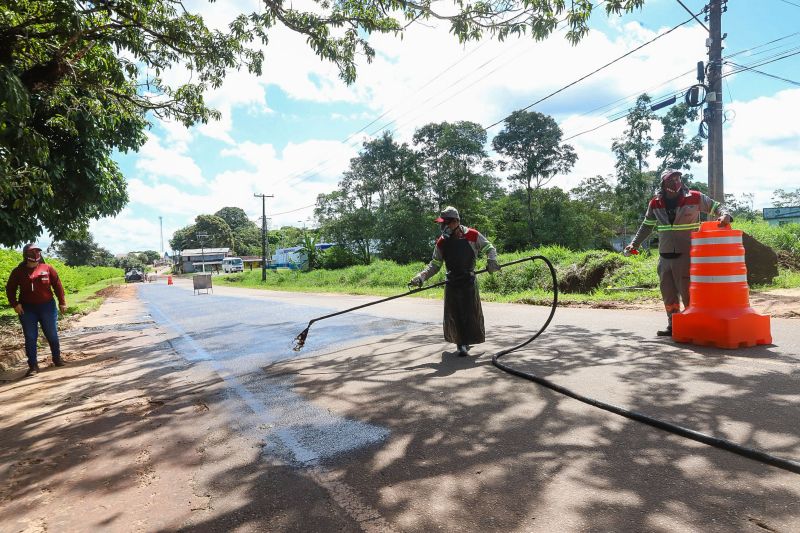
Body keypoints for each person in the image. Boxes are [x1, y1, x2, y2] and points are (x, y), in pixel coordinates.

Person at [624, 169, 732, 337]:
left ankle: (693, 324)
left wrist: (725, 215)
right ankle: (673, 324)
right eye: (671, 180)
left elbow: (717, 207)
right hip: (664, 256)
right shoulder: (655, 203)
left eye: (678, 178)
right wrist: (634, 244)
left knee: (688, 293)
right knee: (668, 294)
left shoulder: (694, 197)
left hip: (687, 255)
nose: (676, 182)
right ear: (663, 183)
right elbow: (646, 226)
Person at [409, 206, 501, 356]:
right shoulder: (442, 242)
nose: (443, 227)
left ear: (457, 221)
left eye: (446, 223)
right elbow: (435, 265)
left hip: (469, 280)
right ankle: (460, 343)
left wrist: (492, 261)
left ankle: (467, 340)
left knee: (470, 313)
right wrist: (421, 277)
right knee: (455, 314)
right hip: (452, 282)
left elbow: (490, 248)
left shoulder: (472, 235)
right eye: (442, 224)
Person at [5, 244, 68, 376]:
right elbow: (10, 289)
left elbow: (57, 285)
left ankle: (57, 358)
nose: (35, 255)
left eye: (37, 252)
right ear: (26, 256)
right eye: (32, 253)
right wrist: (15, 304)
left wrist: (62, 302)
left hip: (47, 307)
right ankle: (33, 366)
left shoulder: (48, 268)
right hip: (27, 309)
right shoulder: (18, 271)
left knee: (51, 334)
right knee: (30, 336)